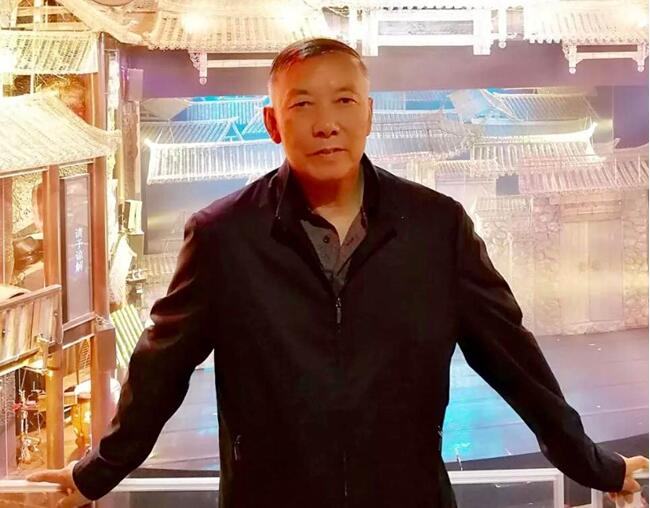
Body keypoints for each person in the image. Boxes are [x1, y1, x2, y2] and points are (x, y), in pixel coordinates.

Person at [28, 37, 647, 508]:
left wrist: (594, 465)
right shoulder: (223, 237)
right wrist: (94, 475)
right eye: (302, 104)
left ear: (369, 113)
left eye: (345, 100)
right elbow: (160, 369)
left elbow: (515, 361)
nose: (327, 123)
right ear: (273, 122)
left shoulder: (436, 228)